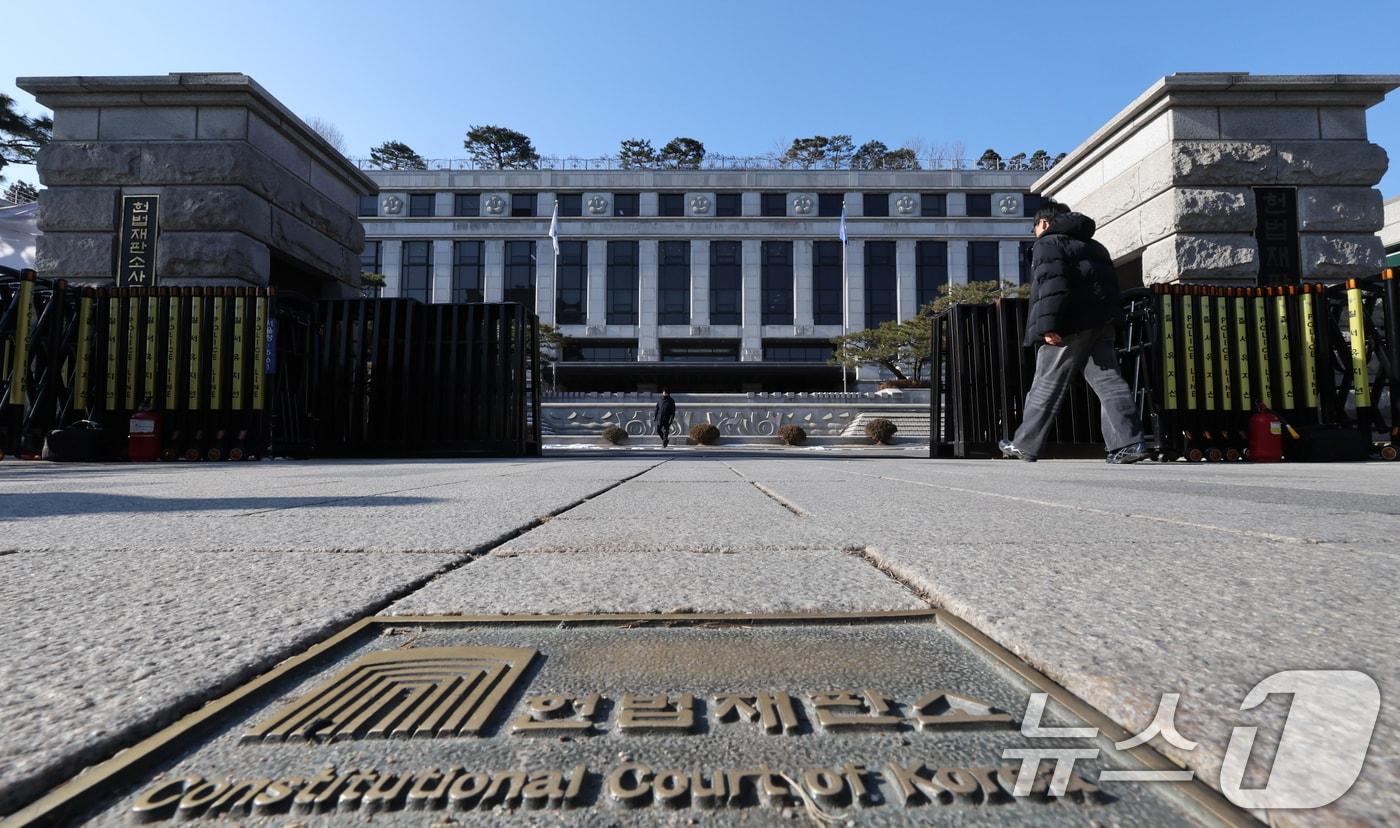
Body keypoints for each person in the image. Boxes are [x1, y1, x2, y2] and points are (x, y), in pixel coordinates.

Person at [999, 201, 1151, 464]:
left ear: (1044, 223)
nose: (1034, 233)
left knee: (1045, 384)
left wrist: (1049, 325)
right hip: (1101, 323)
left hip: (1070, 325)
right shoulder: (1096, 246)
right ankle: (1129, 444)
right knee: (1110, 383)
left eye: (1034, 227)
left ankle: (1024, 444)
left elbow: (1053, 285)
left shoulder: (1048, 243)